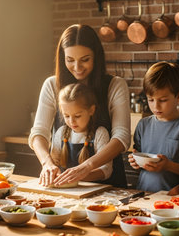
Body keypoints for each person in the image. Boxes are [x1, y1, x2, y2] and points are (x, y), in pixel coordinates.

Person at [29, 24, 130, 188]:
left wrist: (87, 166)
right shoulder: (51, 85)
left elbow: (122, 137)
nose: (77, 67)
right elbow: (38, 132)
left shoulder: (115, 85)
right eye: (70, 60)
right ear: (62, 58)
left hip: (109, 185)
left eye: (85, 60)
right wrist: (47, 163)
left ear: (96, 56)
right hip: (65, 184)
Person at [127, 62, 179, 192]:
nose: (155, 106)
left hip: (174, 199)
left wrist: (169, 166)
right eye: (150, 99)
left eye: (162, 100)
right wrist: (135, 162)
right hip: (143, 195)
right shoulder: (143, 125)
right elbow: (141, 160)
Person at [50, 83, 112, 182]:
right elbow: (53, 163)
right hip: (66, 189)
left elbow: (106, 170)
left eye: (77, 116)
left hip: (92, 191)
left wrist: (77, 179)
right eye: (66, 116)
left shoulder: (100, 133)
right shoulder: (61, 133)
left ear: (91, 110)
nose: (71, 121)